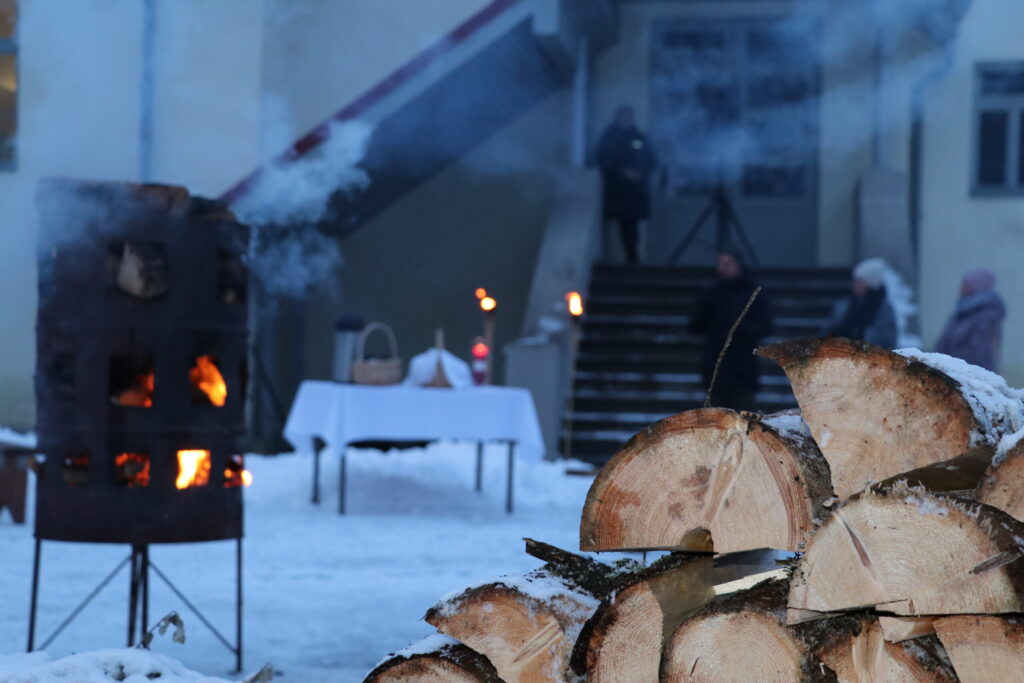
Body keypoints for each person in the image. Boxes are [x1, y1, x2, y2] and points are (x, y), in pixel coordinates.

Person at [689, 250, 773, 411]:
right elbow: (695, 326)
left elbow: (765, 326)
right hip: (716, 367)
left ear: (739, 265)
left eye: (728, 263)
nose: (723, 268)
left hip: (743, 367)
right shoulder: (712, 294)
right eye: (720, 263)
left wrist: (741, 327)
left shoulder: (752, 293)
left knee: (742, 415)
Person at [596, 106, 657, 264]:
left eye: (630, 116)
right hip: (616, 190)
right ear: (618, 118)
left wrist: (640, 172)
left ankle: (632, 257)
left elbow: (650, 159)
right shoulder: (609, 137)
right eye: (625, 116)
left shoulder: (639, 137)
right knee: (618, 224)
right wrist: (622, 171)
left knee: (631, 224)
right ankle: (622, 258)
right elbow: (603, 159)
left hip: (634, 191)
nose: (628, 120)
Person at [936, 269, 1005, 371]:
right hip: (947, 371)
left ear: (977, 286)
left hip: (966, 375)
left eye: (966, 284)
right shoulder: (962, 312)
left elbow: (981, 354)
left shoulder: (986, 317)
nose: (961, 288)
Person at [825, 257, 898, 349]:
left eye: (859, 281)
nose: (855, 285)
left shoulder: (883, 310)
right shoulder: (845, 306)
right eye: (855, 281)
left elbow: (888, 340)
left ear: (869, 284)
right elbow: (830, 330)